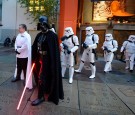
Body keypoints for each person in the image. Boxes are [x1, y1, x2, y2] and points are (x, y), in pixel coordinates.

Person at [31, 16, 64, 106]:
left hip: (48, 61)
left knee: (41, 77)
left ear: (47, 24)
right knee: (39, 76)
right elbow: (34, 47)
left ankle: (41, 97)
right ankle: (44, 91)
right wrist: (33, 56)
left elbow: (54, 51)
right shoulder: (39, 35)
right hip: (39, 58)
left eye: (44, 24)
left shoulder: (52, 36)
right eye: (40, 24)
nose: (42, 26)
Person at [12, 24, 33, 90]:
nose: (19, 29)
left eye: (20, 28)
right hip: (18, 54)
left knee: (24, 68)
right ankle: (18, 77)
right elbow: (15, 43)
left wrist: (19, 50)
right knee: (18, 66)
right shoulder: (18, 35)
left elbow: (26, 45)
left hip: (24, 54)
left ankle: (25, 79)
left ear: (24, 28)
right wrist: (16, 49)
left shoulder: (27, 35)